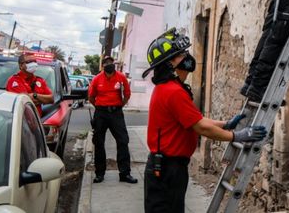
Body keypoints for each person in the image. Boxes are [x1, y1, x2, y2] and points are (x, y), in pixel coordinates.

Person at [142, 28, 267, 213]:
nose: (187, 57)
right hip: (168, 169)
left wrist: (225, 123)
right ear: (170, 63)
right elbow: (201, 128)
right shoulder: (173, 92)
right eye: (181, 54)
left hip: (169, 168)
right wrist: (236, 136)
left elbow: (196, 120)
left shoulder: (170, 88)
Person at [88, 55, 137, 184]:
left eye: (110, 62)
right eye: (106, 63)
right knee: (98, 143)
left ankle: (125, 174)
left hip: (116, 113)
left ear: (113, 64)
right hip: (101, 113)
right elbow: (91, 97)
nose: (108, 64)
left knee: (123, 141)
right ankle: (99, 173)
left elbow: (127, 94)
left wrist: (119, 106)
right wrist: (100, 107)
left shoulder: (121, 77)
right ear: (103, 65)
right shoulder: (97, 79)